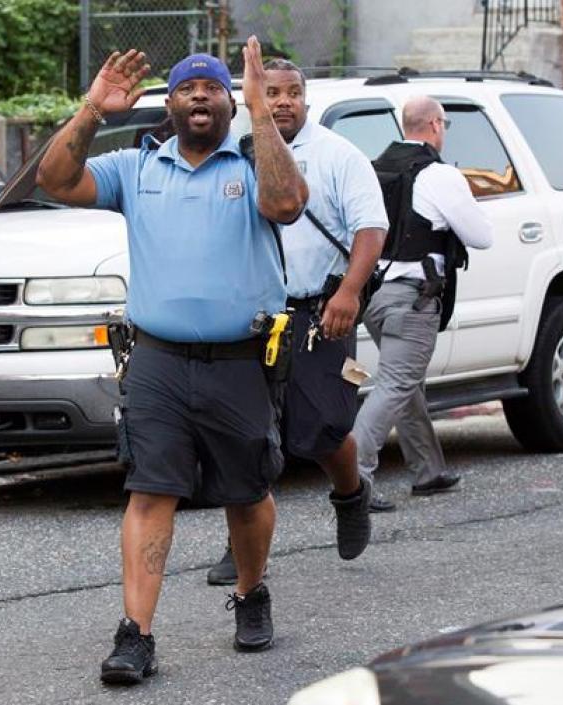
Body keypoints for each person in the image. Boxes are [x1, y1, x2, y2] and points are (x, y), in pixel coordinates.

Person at [36, 39, 308, 684]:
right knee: (150, 491)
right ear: (170, 103)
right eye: (186, 88)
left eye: (212, 88)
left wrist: (260, 114)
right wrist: (93, 110)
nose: (198, 97)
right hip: (156, 361)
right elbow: (54, 180)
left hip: (240, 359)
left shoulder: (251, 159)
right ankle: (136, 635)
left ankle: (250, 591)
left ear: (227, 101)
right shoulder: (136, 167)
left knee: (246, 494)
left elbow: (286, 204)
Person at [204, 58, 387, 587]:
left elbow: (370, 227)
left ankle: (351, 494)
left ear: (305, 98)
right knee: (245, 433)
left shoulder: (337, 155)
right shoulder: (235, 149)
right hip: (254, 316)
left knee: (324, 426)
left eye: (292, 93)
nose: (282, 101)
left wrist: (349, 292)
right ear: (251, 97)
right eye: (271, 92)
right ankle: (240, 542)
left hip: (320, 311)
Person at [350, 96, 493, 503]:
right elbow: (482, 236)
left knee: (406, 383)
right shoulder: (439, 175)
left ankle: (428, 470)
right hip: (413, 298)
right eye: (444, 124)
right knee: (396, 384)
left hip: (374, 296)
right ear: (434, 125)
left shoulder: (375, 168)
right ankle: (354, 477)